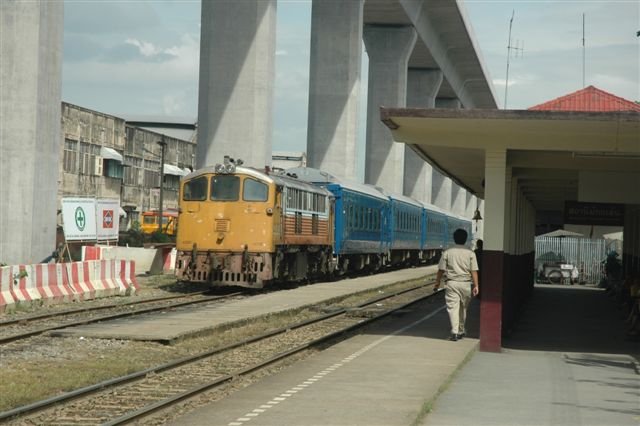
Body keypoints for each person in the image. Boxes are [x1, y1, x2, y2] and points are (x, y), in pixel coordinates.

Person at [433, 228, 479, 341]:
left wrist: (437, 282)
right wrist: (476, 285)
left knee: (453, 307)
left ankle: (455, 332)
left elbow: (441, 269)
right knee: (463, 308)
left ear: (454, 239)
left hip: (452, 283)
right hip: (465, 284)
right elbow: (474, 271)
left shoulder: (448, 252)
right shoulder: (470, 253)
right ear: (465, 239)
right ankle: (461, 330)